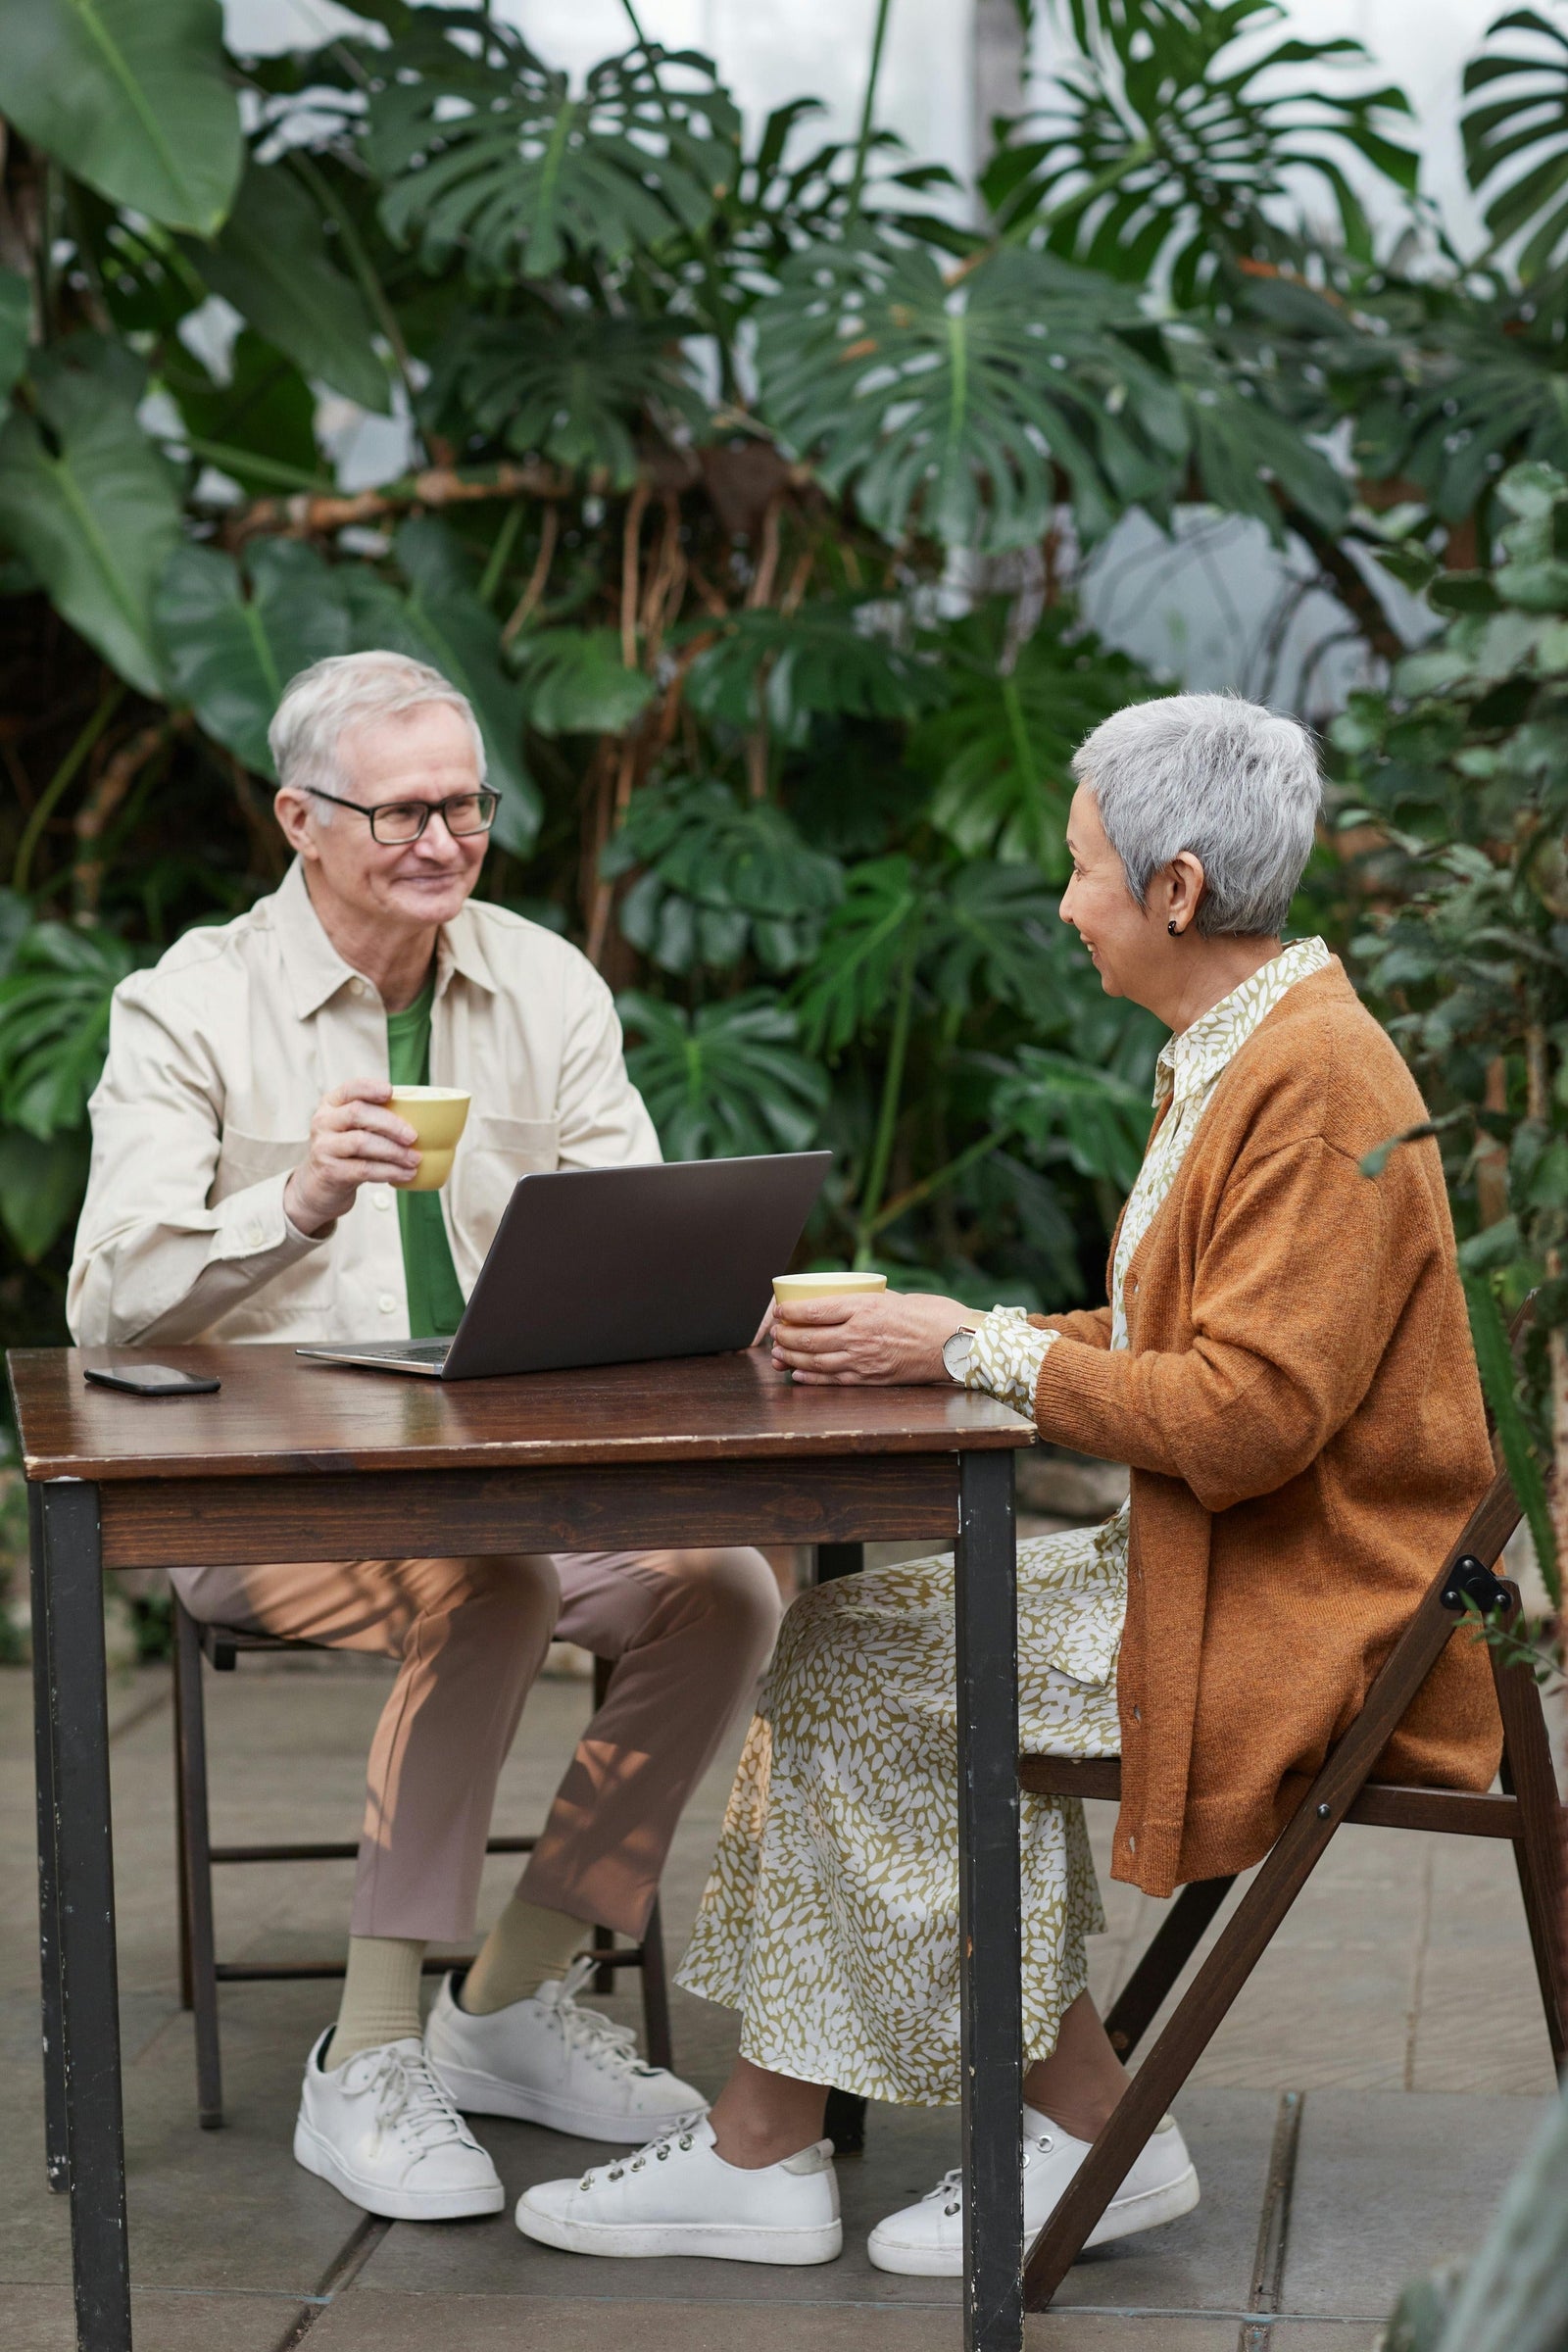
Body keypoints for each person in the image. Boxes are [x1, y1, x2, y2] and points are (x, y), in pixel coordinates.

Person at [514, 692, 1501, 2273]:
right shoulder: (1247, 1048)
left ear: (1176, 889)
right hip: (1212, 1563)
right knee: (854, 1650)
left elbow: (1247, 1416)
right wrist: (941, 1342)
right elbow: (1193, 1336)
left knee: (868, 1669)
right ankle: (920, 2130)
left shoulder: (1313, 1082)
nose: (1060, 903)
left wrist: (978, 1349)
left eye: (1083, 866)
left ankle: (989, 2135)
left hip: (1311, 1608)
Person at [69, 651, 781, 2225]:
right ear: (299, 819)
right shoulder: (186, 1002)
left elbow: (640, 1234)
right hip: (262, 1512)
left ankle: (511, 2004)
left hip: (522, 1483)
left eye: (465, 804)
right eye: (400, 812)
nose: (442, 841)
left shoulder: (544, 984)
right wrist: (294, 1203)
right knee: (492, 1585)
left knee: (724, 1584)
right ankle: (366, 2054)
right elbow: (109, 1302)